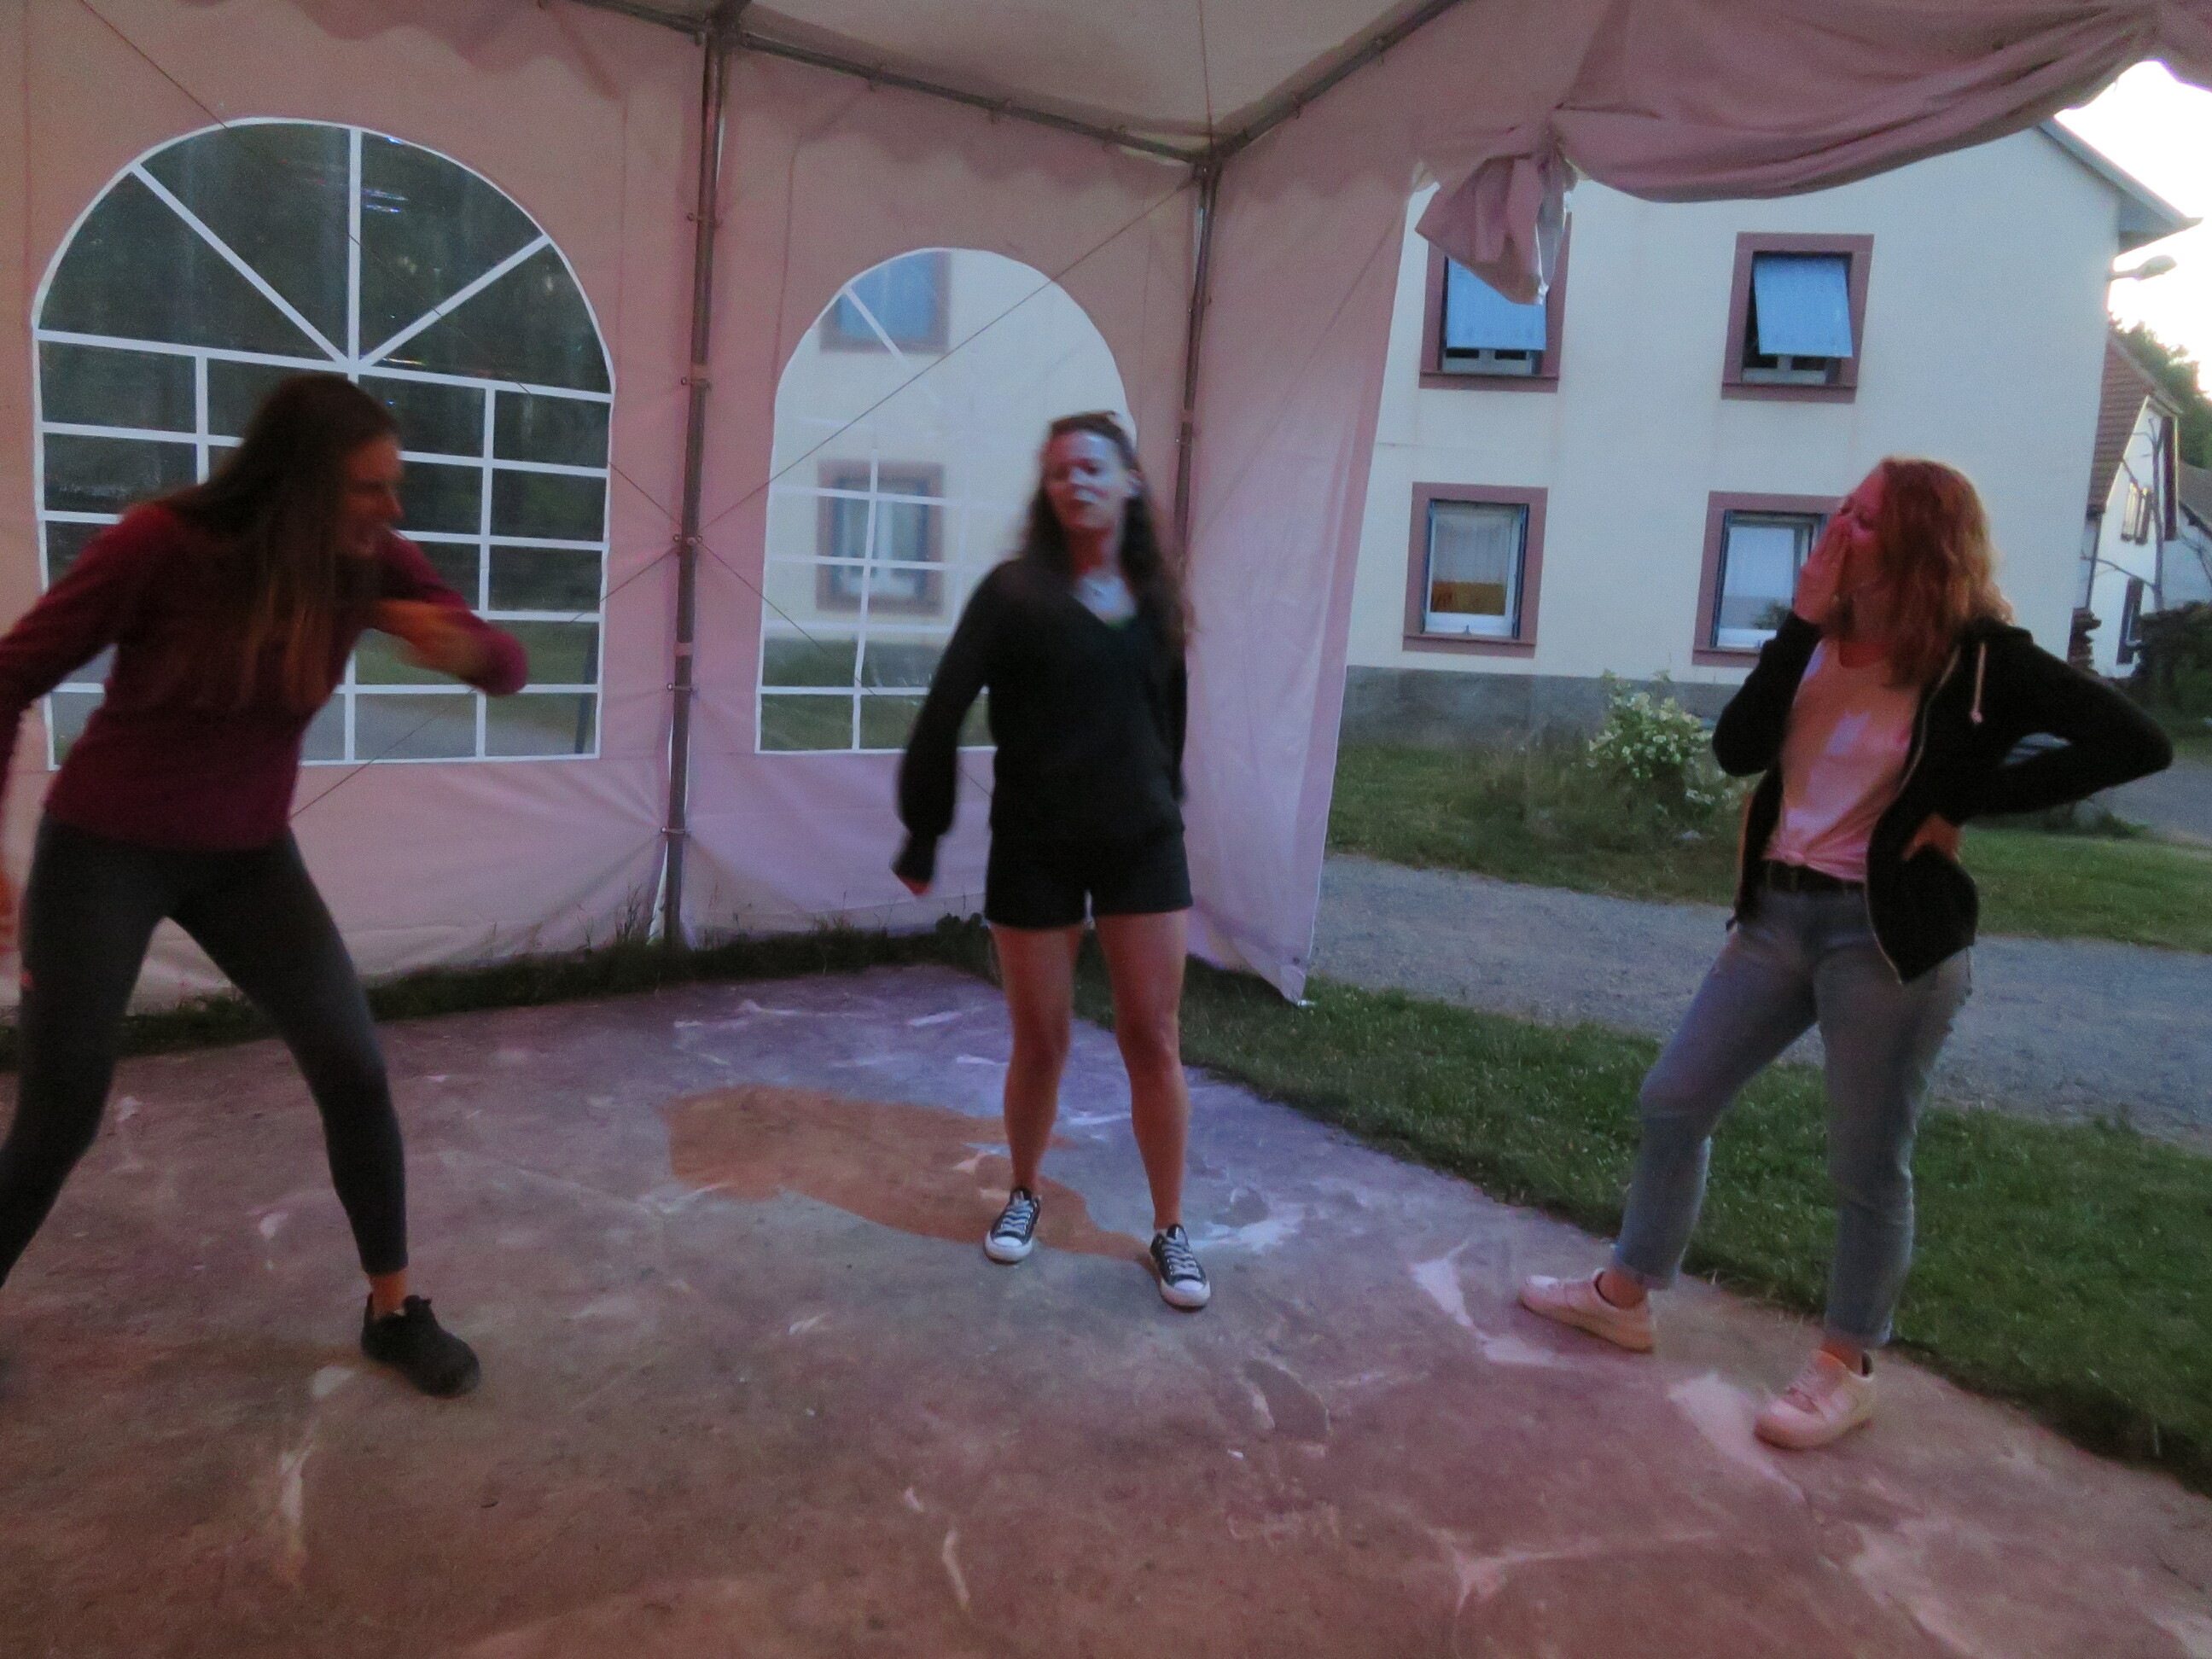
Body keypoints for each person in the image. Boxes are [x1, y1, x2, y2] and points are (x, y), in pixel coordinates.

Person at [1519, 457, 2170, 1448]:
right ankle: (1625, 1296)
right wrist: (1800, 624)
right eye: (1845, 510)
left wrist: (1964, 802)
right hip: (1776, 917)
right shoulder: (1818, 641)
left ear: (1918, 545)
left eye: (1863, 518)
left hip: (1886, 942)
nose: (1839, 525)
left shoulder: (1982, 661)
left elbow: (2135, 745)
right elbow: (1737, 750)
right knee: (1674, 1098)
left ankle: (1845, 1365)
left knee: (1867, 1164)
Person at [0, 374, 528, 1396]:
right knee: (62, 1107)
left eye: (394, 487)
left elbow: (508, 665)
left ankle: (392, 1314)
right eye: (370, 487)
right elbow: (9, 673)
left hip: (246, 858)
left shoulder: (367, 560)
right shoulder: (159, 545)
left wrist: (465, 647)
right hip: (104, 851)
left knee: (353, 1066)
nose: (392, 508)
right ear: (297, 483)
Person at [894, 411, 1208, 1309]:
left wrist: (1166, 797)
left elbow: (1170, 716)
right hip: (1034, 846)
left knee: (1154, 1038)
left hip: (1143, 847)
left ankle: (1169, 1229)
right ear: (1048, 487)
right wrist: (924, 830)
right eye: (1060, 470)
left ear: (1130, 481)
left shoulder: (1156, 598)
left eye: (1093, 467)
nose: (1076, 482)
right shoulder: (1013, 594)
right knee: (1041, 1041)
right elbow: (944, 707)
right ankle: (1025, 1191)